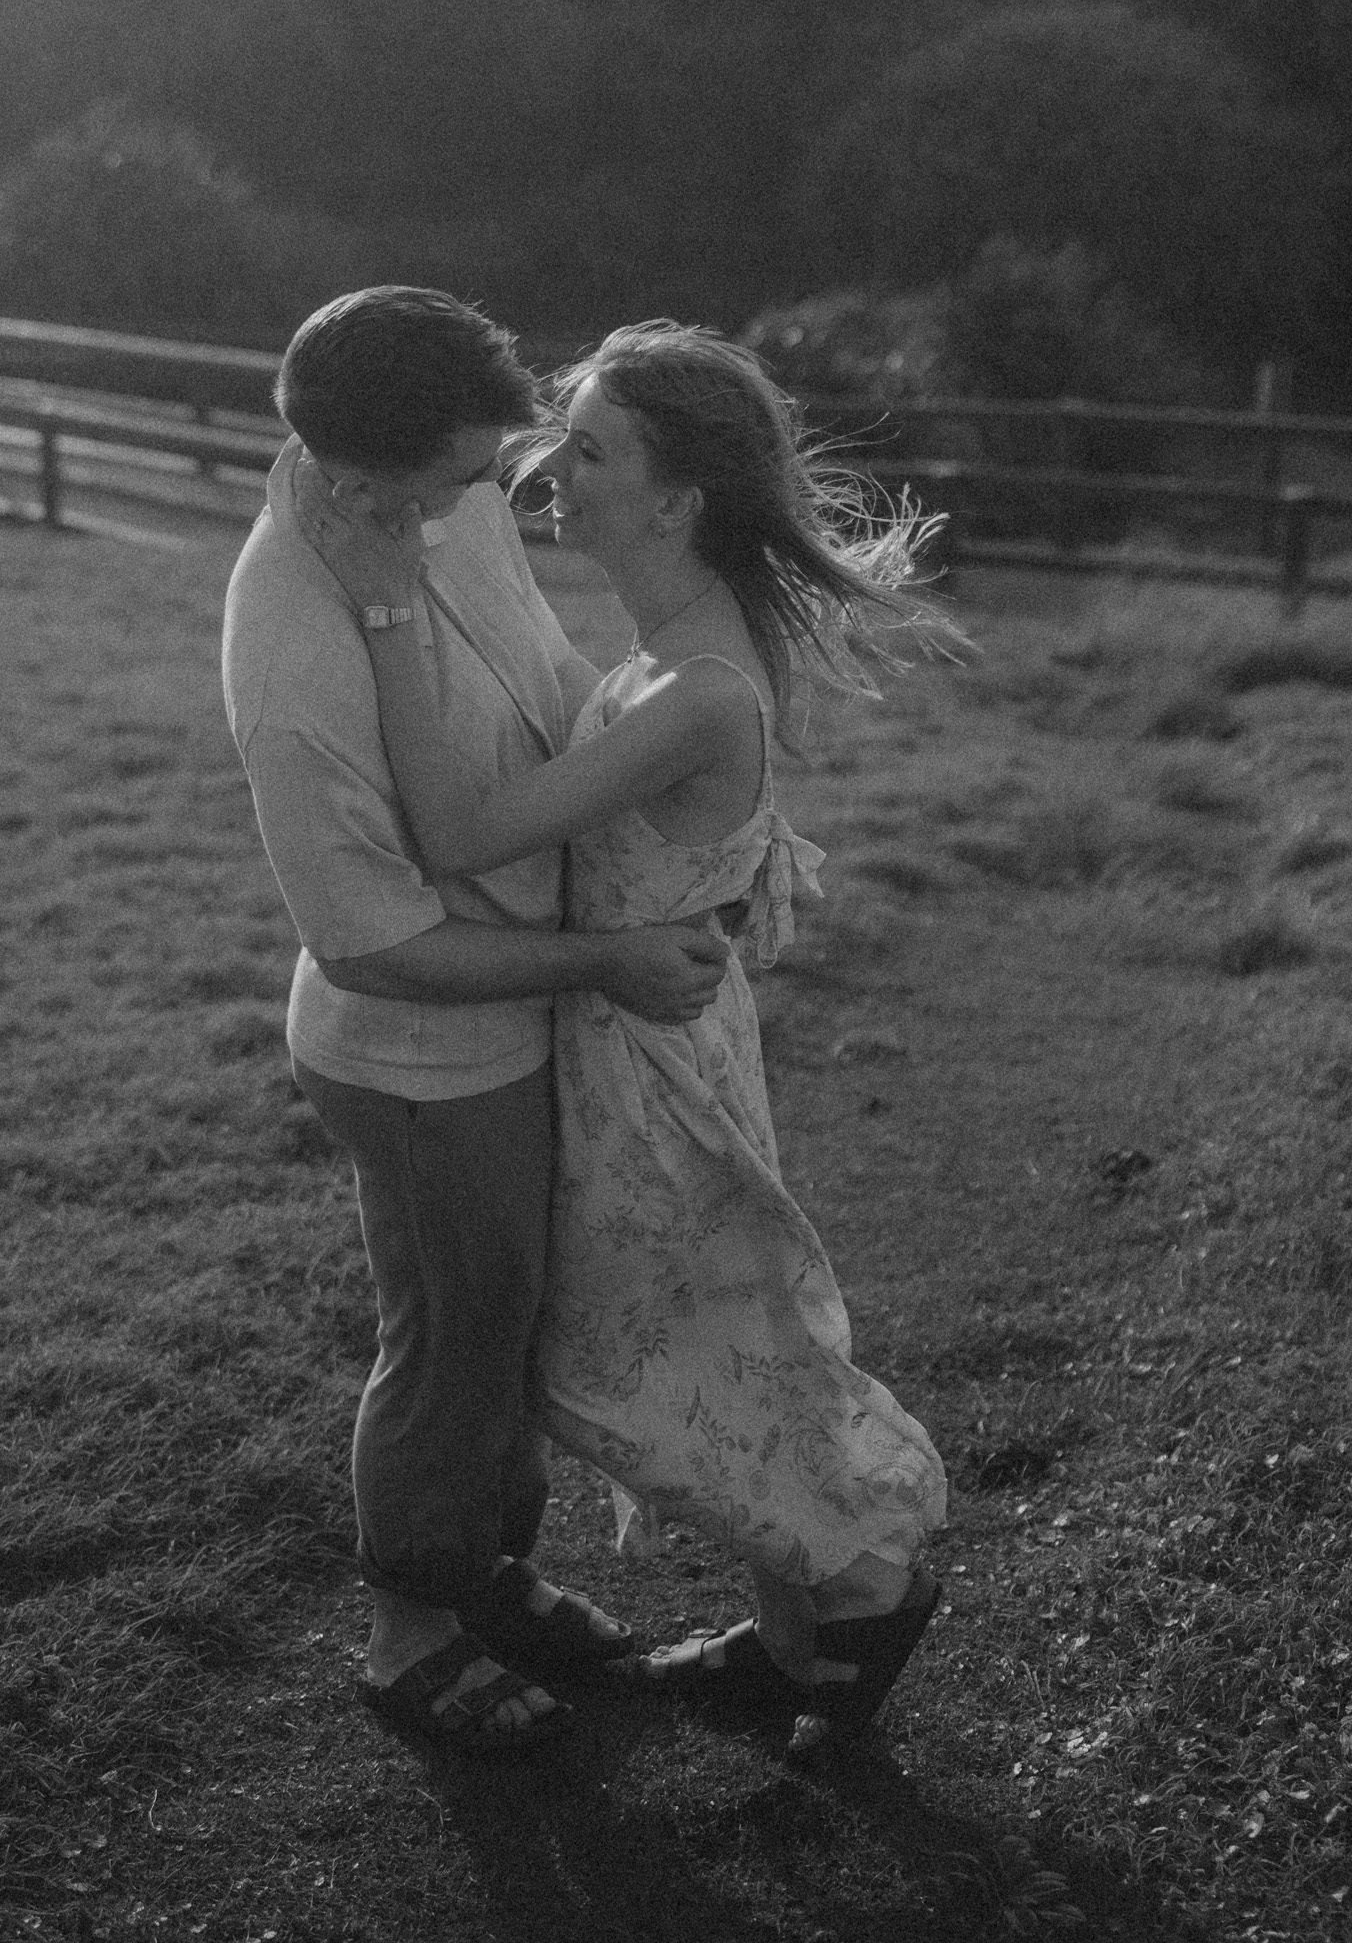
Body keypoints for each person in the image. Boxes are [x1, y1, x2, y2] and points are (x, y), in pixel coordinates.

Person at [305, 319, 953, 1748]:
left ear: (676, 501)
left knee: (662, 1344)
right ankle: (801, 1638)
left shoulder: (694, 688)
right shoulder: (679, 649)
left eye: (588, 448)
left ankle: (860, 1583)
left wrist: (388, 600)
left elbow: (460, 831)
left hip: (655, 1073)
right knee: (715, 1328)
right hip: (646, 1045)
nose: (549, 468)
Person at [221, 287, 733, 1758]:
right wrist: (606, 962)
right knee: (453, 1337)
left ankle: (486, 1575)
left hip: (516, 1018)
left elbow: (546, 684)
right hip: (421, 1055)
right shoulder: (296, 652)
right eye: (463, 472)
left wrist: (672, 781)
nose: (495, 491)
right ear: (365, 475)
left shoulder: (439, 504)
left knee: (506, 1325)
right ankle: (411, 1630)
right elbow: (373, 943)